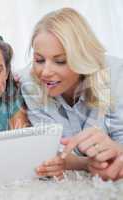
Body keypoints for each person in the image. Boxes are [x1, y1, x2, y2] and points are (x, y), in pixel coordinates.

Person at [19, 7, 123, 180]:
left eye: (60, 61)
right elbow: (53, 153)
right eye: (39, 60)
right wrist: (86, 164)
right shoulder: (30, 84)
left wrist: (116, 152)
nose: (45, 72)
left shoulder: (115, 75)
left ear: (83, 57)